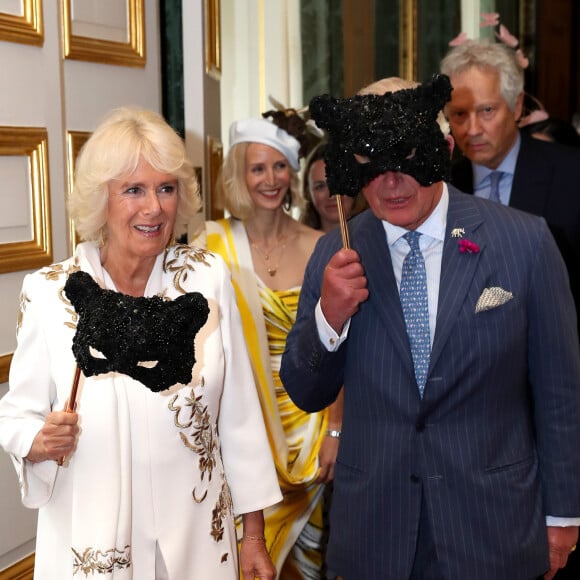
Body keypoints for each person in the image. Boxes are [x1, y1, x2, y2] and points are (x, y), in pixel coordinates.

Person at [280, 75, 580, 579]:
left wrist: (563, 515)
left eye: (408, 158)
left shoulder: (523, 242)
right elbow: (304, 390)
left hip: (494, 530)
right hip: (374, 535)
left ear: (442, 149)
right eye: (371, 163)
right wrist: (328, 318)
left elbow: (560, 393)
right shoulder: (337, 253)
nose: (391, 181)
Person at [0, 107, 282, 580]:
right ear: (100, 200)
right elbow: (14, 415)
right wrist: (39, 439)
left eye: (166, 188)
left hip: (196, 541)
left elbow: (239, 416)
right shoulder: (50, 292)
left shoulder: (206, 280)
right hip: (89, 543)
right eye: (134, 190)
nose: (154, 207)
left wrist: (252, 536)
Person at [192, 117, 341, 578]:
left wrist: (336, 428)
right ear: (238, 175)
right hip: (243, 430)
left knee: (313, 560)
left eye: (280, 167)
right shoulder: (208, 247)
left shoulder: (323, 245)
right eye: (258, 169)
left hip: (313, 431)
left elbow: (339, 344)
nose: (271, 179)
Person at [440, 39, 580, 335]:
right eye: (459, 114)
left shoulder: (571, 174)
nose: (472, 129)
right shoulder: (440, 186)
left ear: (516, 106)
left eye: (487, 110)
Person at [301, 141, 367, 233]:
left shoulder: (378, 236)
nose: (331, 196)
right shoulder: (298, 243)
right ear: (308, 192)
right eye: (320, 186)